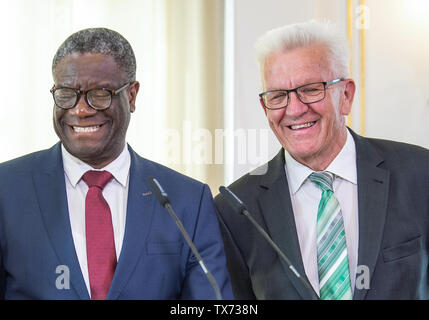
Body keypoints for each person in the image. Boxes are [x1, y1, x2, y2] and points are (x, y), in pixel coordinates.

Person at [0, 27, 233, 300]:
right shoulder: (7, 191)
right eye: (66, 93)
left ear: (132, 95)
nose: (81, 109)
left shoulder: (187, 202)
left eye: (100, 94)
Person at [215, 20, 429, 300]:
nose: (294, 109)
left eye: (311, 89)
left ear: (346, 95)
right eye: (278, 96)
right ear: (264, 107)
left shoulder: (419, 174)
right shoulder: (235, 209)